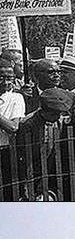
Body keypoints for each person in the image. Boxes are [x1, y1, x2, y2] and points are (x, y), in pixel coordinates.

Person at [0, 56, 25, 198]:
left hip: (5, 153)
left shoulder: (16, 98)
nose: (6, 82)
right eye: (1, 78)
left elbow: (13, 126)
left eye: (9, 78)